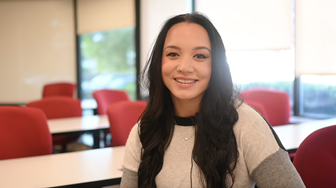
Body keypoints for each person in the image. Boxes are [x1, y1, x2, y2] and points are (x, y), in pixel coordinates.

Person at [120, 12, 305, 188]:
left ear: (216, 65)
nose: (185, 67)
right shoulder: (143, 132)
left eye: (200, 56)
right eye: (173, 54)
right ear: (159, 62)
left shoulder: (246, 124)